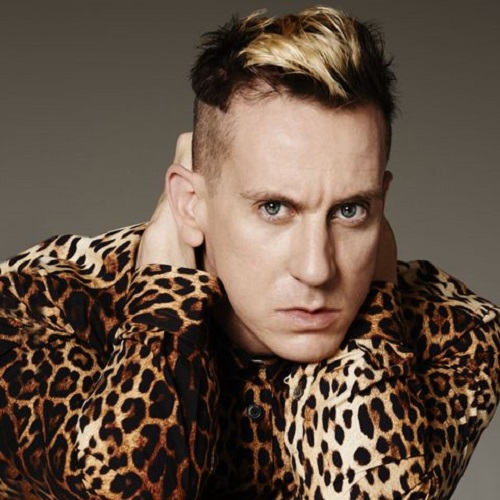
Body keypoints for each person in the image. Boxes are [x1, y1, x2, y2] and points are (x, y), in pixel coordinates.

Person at [0, 6, 498, 499]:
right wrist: (164, 311)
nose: (316, 269)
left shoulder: (459, 334)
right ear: (189, 203)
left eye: (350, 210)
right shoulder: (33, 306)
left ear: (382, 205)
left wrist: (370, 330)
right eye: (274, 208)